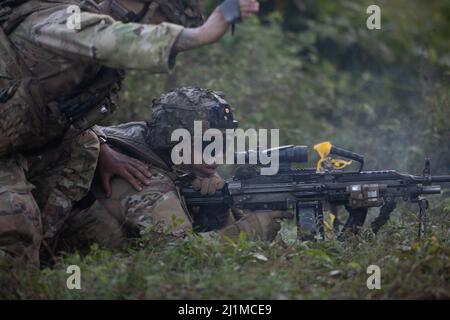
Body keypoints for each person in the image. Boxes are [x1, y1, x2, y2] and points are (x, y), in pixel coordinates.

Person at [0, 0, 259, 265]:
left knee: (81, 160)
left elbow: (63, 117)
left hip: (20, 147)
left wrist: (101, 145)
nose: (158, 29)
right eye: (163, 21)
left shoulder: (94, 73)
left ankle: (45, 260)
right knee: (16, 229)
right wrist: (201, 34)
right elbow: (183, 256)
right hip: (11, 150)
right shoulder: (67, 23)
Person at [54, 87, 293, 252]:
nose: (217, 155)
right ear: (174, 140)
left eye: (224, 143)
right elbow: (179, 254)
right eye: (208, 144)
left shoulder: (161, 148)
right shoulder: (143, 179)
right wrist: (255, 227)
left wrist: (220, 210)